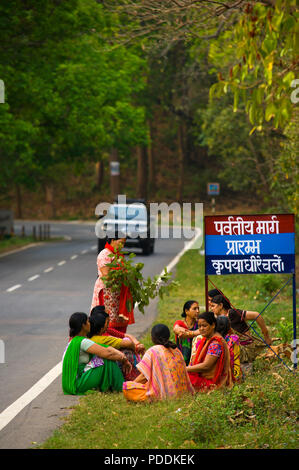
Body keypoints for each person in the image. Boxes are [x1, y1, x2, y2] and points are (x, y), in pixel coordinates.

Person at [62, 312, 132, 395]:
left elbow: (104, 349)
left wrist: (122, 358)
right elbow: (107, 353)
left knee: (104, 357)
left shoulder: (73, 342)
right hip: (78, 383)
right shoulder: (82, 341)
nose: (90, 324)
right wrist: (124, 359)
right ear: (83, 325)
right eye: (88, 322)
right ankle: (122, 388)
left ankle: (117, 387)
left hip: (71, 382)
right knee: (106, 359)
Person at [123, 324, 194, 402]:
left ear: (152, 337)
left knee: (127, 387)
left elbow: (144, 376)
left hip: (165, 395)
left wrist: (132, 385)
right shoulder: (176, 350)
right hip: (182, 392)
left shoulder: (153, 350)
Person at [90, 235, 134, 333]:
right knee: (106, 320)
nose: (122, 246)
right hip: (106, 293)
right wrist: (121, 272)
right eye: (120, 242)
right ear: (113, 240)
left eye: (124, 243)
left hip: (117, 294)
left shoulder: (118, 255)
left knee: (118, 320)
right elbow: (106, 275)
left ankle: (120, 342)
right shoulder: (104, 254)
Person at [210, 294, 272, 363]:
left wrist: (266, 336)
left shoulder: (232, 313)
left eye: (213, 306)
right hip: (235, 348)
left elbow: (256, 315)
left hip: (245, 350)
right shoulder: (218, 318)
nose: (211, 308)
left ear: (221, 305)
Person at [88, 309, 141, 381]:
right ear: (101, 327)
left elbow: (125, 336)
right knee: (126, 351)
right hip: (97, 369)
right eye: (107, 322)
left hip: (91, 369)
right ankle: (131, 378)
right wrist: (133, 350)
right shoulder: (102, 339)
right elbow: (128, 344)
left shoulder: (87, 337)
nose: (108, 325)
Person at [187, 311, 233, 392]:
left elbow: (206, 366)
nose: (201, 329)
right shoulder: (206, 339)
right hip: (205, 377)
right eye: (199, 326)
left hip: (212, 382)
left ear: (213, 325)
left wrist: (185, 369)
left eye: (204, 326)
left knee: (183, 376)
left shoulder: (215, 343)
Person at [173, 300, 201, 365]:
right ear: (186, 311)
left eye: (198, 309)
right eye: (194, 309)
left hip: (195, 359)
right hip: (181, 358)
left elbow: (201, 331)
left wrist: (187, 333)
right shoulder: (180, 323)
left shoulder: (199, 324)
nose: (197, 311)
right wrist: (194, 333)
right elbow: (176, 329)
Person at [216, 315, 242, 383]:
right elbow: (236, 358)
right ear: (228, 327)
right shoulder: (233, 339)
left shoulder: (213, 339)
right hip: (230, 372)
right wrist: (236, 377)